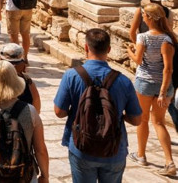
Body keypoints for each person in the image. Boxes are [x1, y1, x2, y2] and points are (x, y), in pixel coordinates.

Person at [55, 28, 142, 183]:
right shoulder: (124, 81)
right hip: (114, 149)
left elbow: (59, 112)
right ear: (108, 50)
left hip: (81, 147)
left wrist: (78, 111)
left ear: (86, 47)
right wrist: (117, 114)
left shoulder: (71, 75)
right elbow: (136, 120)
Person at [126, 3, 176, 175]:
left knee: (143, 119)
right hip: (164, 86)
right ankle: (169, 161)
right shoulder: (168, 39)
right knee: (159, 122)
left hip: (145, 84)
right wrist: (163, 91)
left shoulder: (143, 37)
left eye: (144, 16)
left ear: (147, 18)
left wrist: (129, 51)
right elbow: (168, 69)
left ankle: (141, 155)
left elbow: (139, 60)